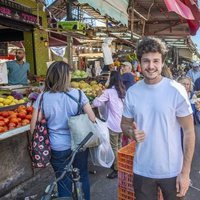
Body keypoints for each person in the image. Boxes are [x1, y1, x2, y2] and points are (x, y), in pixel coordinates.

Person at [121, 37, 195, 200]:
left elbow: (189, 131)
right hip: (142, 170)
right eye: (146, 61)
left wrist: (185, 172)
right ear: (139, 63)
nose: (151, 66)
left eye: (156, 61)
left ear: (162, 63)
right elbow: (124, 124)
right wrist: (131, 133)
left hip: (172, 170)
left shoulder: (176, 90)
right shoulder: (132, 92)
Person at [30, 61, 96, 199]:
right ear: (65, 76)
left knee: (63, 180)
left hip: (57, 146)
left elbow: (33, 128)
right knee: (82, 175)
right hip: (79, 144)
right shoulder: (78, 94)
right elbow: (92, 118)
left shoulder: (42, 97)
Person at [92, 70, 126, 179]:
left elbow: (95, 103)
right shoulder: (122, 90)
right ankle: (120, 165)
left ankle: (116, 169)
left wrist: (98, 95)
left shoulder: (109, 92)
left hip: (113, 125)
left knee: (114, 147)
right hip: (122, 123)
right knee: (119, 146)